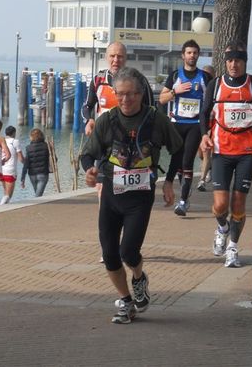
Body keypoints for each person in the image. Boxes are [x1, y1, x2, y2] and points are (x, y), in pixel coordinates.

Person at [80, 67, 183, 324]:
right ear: (115, 94)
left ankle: (138, 277)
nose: (126, 100)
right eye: (121, 95)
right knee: (110, 254)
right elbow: (87, 154)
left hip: (140, 197)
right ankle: (126, 301)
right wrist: (90, 170)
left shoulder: (155, 119)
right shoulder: (107, 120)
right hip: (111, 196)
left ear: (141, 94)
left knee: (128, 252)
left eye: (132, 95)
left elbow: (178, 150)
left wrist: (169, 182)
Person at [199, 41, 252, 268]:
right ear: (225, 63)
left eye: (238, 60)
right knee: (220, 205)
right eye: (230, 61)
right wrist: (204, 135)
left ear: (244, 62)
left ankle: (233, 248)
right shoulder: (216, 85)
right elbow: (204, 113)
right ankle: (222, 228)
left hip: (247, 151)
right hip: (221, 150)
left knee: (238, 204)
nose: (234, 65)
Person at [82, 41, 154, 200]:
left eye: (120, 56)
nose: (116, 60)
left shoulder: (139, 80)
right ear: (106, 57)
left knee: (126, 190)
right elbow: (87, 106)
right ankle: (105, 222)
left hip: (129, 143)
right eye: (112, 56)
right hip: (104, 141)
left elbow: (151, 109)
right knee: (101, 186)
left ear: (126, 58)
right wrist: (89, 120)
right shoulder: (98, 79)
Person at [158, 40, 213, 216]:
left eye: (195, 53)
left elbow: (213, 99)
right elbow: (161, 99)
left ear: (198, 55)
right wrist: (176, 91)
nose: (192, 56)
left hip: (195, 125)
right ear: (183, 55)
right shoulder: (175, 76)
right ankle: (183, 187)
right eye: (189, 53)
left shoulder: (204, 78)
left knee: (187, 159)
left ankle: (183, 202)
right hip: (177, 123)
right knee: (177, 159)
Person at [196, 64, 215, 192]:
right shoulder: (197, 88)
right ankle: (211, 167)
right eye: (204, 74)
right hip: (197, 123)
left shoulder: (216, 88)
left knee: (206, 151)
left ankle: (201, 180)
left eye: (208, 75)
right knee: (200, 155)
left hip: (212, 124)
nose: (205, 77)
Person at [21, 128, 51, 197]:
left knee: (38, 195)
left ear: (31, 137)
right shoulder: (46, 146)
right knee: (38, 196)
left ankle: (39, 207)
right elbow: (54, 159)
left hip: (32, 175)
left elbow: (26, 164)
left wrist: (23, 178)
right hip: (43, 174)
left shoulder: (28, 148)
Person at [0, 125, 24, 205]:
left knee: (5, 192)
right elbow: (21, 158)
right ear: (14, 133)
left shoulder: (1, 141)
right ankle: (0, 207)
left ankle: (3, 208)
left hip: (1, 170)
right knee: (8, 195)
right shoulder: (15, 142)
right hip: (10, 170)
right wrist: (27, 164)